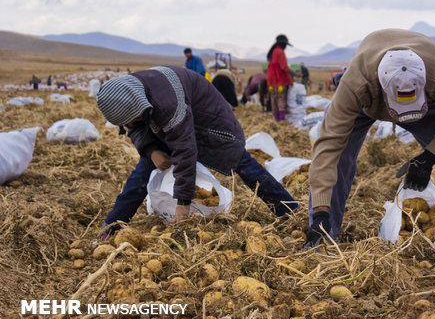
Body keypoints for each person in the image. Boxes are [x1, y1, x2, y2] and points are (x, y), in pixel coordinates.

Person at [306, 29, 435, 255]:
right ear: (378, 82)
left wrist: (430, 156)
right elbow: (327, 146)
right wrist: (321, 211)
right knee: (339, 155)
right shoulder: (356, 84)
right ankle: (324, 235)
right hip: (368, 100)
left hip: (428, 108)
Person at [96, 66, 298, 238]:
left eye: (132, 119)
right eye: (127, 122)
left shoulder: (167, 104)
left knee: (242, 162)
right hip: (168, 123)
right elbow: (136, 126)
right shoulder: (131, 95)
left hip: (209, 122)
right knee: (141, 175)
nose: (130, 124)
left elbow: (185, 150)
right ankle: (111, 228)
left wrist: (183, 203)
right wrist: (151, 151)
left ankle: (291, 212)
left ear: (140, 105)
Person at [266, 34, 293, 121]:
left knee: (274, 101)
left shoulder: (272, 53)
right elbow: (283, 67)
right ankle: (282, 120)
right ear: (283, 44)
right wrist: (292, 72)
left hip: (271, 82)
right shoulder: (280, 52)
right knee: (281, 100)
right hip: (280, 81)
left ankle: (276, 119)